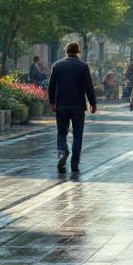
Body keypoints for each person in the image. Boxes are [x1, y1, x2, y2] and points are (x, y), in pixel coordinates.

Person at [47, 42, 97, 174]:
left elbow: (51, 86)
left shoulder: (57, 66)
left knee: (62, 132)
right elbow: (88, 87)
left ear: (66, 51)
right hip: (78, 106)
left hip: (61, 105)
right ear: (78, 52)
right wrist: (93, 103)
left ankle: (63, 150)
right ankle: (75, 163)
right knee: (78, 135)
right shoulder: (83, 66)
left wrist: (52, 102)